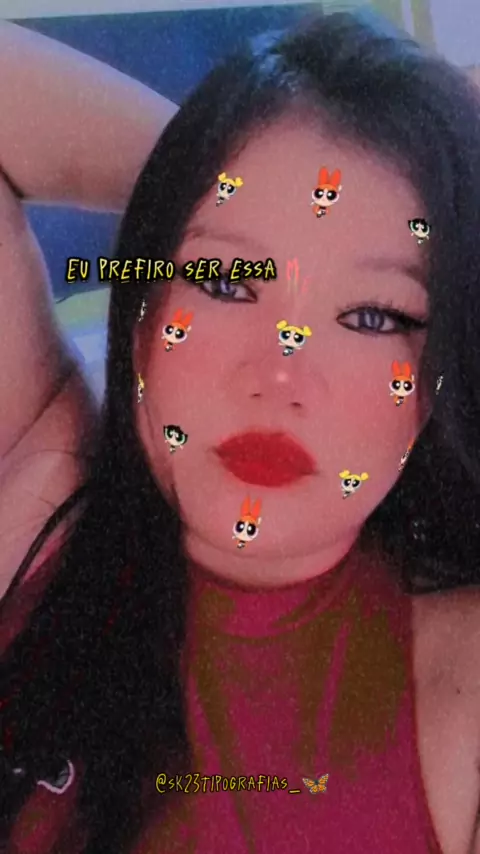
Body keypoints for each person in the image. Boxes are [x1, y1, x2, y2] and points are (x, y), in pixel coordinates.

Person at [1, 8, 480, 854]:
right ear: (145, 311)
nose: (281, 375)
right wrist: (197, 177)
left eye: (373, 316)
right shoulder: (41, 494)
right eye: (225, 282)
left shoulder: (462, 683)